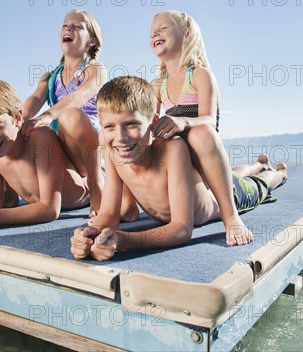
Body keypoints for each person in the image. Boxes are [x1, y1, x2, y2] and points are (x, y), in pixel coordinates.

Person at [70, 76, 288, 261]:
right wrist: (90, 234)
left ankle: (275, 172)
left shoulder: (172, 149)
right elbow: (108, 213)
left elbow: (182, 229)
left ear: (153, 121)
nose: (120, 137)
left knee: (258, 184)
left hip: (229, 196)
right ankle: (255, 164)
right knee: (233, 173)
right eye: (109, 127)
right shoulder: (112, 153)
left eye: (132, 125)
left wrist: (123, 240)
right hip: (208, 185)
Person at [144, 10, 254, 243]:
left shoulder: (200, 75)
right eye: (152, 32)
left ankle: (240, 207)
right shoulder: (157, 84)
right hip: (190, 168)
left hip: (208, 162)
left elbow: (209, 120)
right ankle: (257, 165)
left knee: (255, 185)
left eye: (163, 28)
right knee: (238, 174)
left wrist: (183, 121)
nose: (155, 33)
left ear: (185, 33)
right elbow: (148, 127)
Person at [0, 78, 89, 232]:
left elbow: (49, 209)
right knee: (5, 200)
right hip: (41, 202)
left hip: (85, 194)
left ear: (18, 118)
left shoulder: (40, 137)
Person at [22, 10, 106, 215]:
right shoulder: (50, 76)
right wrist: (20, 120)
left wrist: (50, 114)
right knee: (27, 130)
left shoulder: (96, 69)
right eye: (65, 25)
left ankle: (97, 187)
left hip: (87, 143)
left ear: (92, 41)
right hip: (61, 144)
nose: (68, 28)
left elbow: (78, 97)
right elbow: (34, 99)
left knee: (71, 115)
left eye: (78, 26)